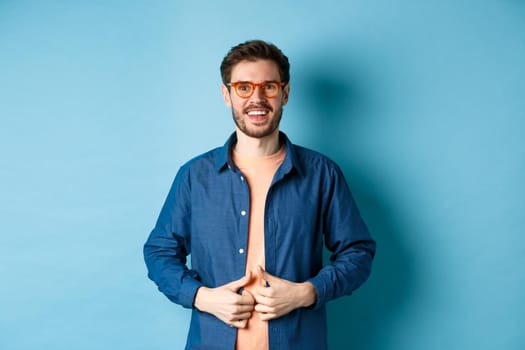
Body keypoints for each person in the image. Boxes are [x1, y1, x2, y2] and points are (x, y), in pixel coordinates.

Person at [143, 39, 376, 350]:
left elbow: (357, 251)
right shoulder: (194, 176)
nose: (257, 98)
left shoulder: (322, 174)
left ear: (285, 93)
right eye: (243, 87)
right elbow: (159, 252)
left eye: (269, 87)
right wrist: (202, 297)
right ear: (227, 95)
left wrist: (307, 292)